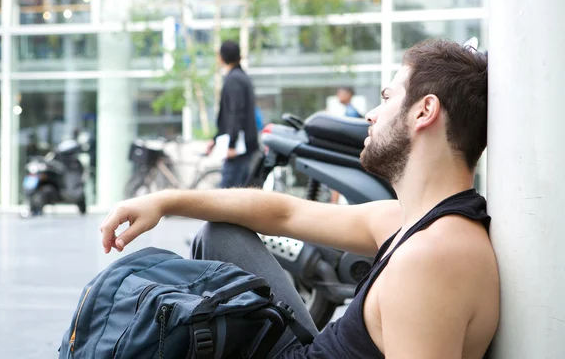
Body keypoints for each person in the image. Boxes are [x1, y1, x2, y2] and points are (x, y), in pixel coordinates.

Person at [101, 39, 498, 358]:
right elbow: (285, 212)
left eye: (387, 97)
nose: (371, 115)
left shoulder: (431, 258)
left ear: (424, 111)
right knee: (222, 233)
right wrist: (164, 202)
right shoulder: (408, 221)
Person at [206, 40, 259, 188]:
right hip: (243, 145)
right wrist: (215, 139)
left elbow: (236, 113)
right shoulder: (241, 77)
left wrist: (232, 145)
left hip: (238, 149)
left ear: (221, 58)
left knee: (225, 197)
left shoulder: (234, 80)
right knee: (239, 192)